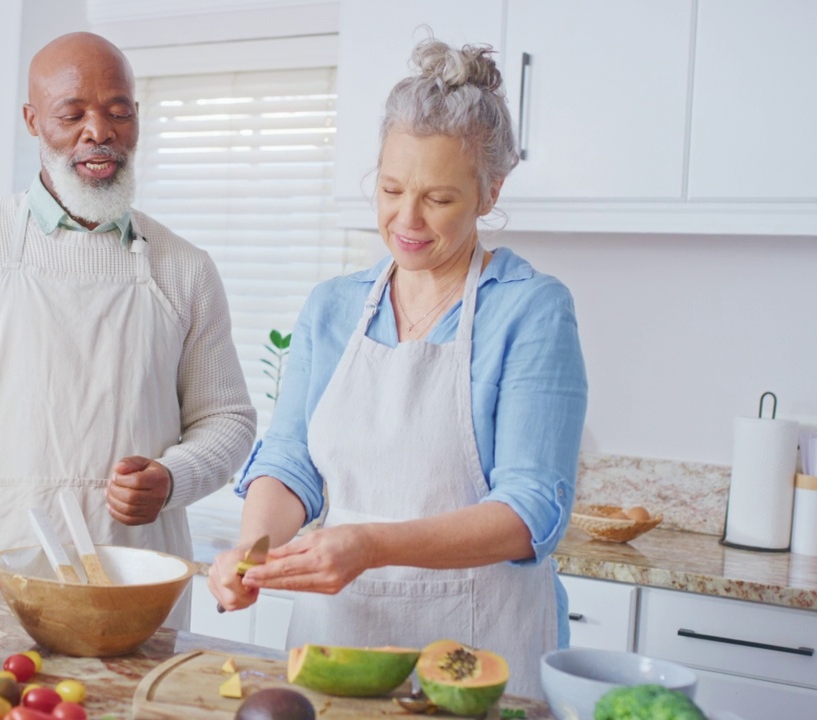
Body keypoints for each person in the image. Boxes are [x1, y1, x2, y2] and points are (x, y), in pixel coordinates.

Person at [207, 38, 587, 698]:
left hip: (476, 652)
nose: (405, 220)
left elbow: (531, 511)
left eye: (438, 199)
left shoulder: (530, 311)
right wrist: (254, 549)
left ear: (491, 191)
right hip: (335, 646)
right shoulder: (333, 307)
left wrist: (370, 546)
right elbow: (291, 460)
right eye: (389, 189)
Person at [0, 32, 256, 628]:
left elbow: (229, 418)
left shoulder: (184, 267)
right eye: (72, 114)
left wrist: (174, 477)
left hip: (139, 598)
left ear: (137, 118)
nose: (100, 132)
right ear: (33, 121)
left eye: (119, 112)